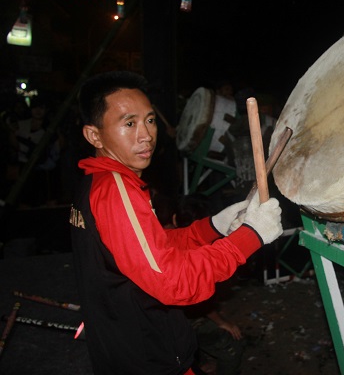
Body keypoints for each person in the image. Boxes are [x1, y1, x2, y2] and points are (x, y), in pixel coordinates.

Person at [69, 70, 283, 375]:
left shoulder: (94, 183)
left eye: (150, 120)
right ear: (94, 135)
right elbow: (174, 281)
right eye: (129, 123)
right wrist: (250, 237)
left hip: (124, 349)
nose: (146, 135)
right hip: (148, 357)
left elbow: (147, 253)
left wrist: (212, 228)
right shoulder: (116, 190)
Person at [160, 193, 245, 375]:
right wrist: (221, 322)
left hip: (175, 314)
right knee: (231, 347)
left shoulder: (159, 234)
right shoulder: (172, 248)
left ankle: (201, 361)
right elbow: (194, 295)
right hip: (170, 321)